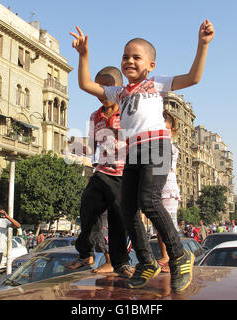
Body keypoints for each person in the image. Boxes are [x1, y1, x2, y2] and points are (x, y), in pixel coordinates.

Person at [70, 20, 214, 292]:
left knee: (149, 200)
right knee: (127, 209)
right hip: (133, 152)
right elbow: (86, 85)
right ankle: (146, 262)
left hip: (156, 146)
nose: (129, 61)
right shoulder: (120, 92)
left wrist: (203, 44)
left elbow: (193, 78)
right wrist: (84, 55)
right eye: (125, 56)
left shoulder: (155, 84)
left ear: (151, 65)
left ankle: (179, 255)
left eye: (137, 57)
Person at [66, 66, 133, 278]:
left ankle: (119, 262)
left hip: (123, 173)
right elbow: (94, 146)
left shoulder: (127, 111)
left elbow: (138, 140)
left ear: (118, 88)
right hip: (102, 171)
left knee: (116, 219)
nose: (102, 93)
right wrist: (76, 147)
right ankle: (85, 253)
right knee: (88, 207)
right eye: (98, 88)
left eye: (107, 87)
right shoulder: (95, 116)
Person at [156, 110, 181, 273]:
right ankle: (165, 255)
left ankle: (172, 257)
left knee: (168, 225)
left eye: (167, 131)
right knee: (159, 226)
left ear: (172, 132)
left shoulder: (171, 149)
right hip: (156, 188)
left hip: (168, 189)